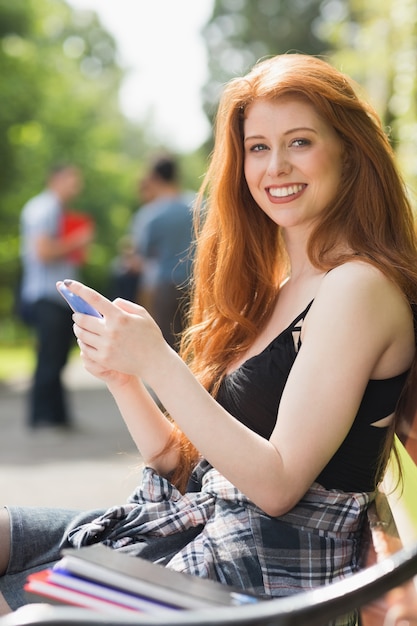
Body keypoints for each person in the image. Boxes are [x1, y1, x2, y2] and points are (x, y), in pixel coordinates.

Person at [1, 54, 417, 626]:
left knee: (19, 611)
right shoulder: (285, 287)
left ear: (348, 151)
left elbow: (275, 484)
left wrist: (159, 360)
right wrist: (125, 378)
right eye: (258, 147)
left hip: (258, 578)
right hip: (193, 530)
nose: (275, 167)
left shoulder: (358, 287)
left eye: (299, 142)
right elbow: (181, 462)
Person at [18, 164, 94, 429]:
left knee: (57, 356)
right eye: (73, 179)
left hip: (54, 296)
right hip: (46, 295)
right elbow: (43, 251)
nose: (77, 186)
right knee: (50, 357)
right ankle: (43, 417)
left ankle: (55, 416)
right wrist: (78, 240)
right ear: (56, 179)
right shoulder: (45, 208)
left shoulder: (55, 210)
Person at [131, 154, 195, 349]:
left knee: (168, 346)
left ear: (155, 178)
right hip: (198, 284)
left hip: (166, 286)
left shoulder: (151, 214)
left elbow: (139, 258)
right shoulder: (200, 205)